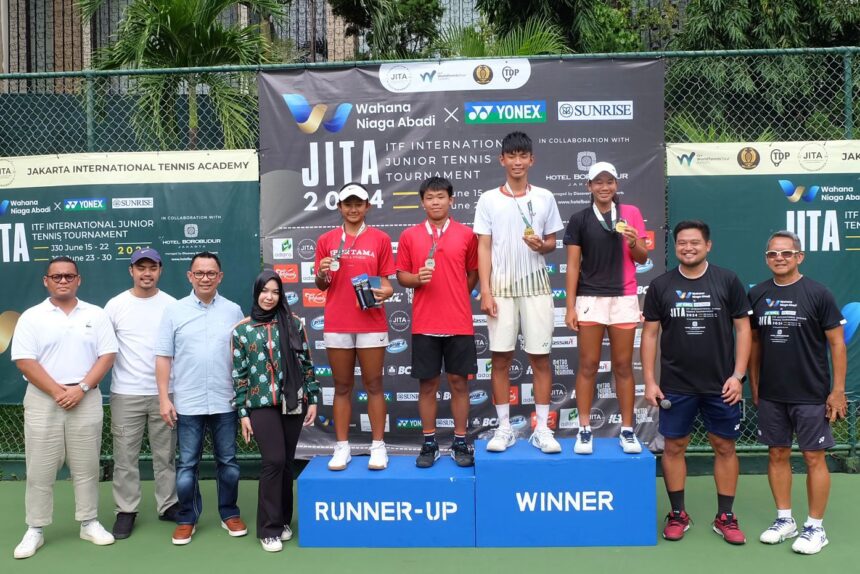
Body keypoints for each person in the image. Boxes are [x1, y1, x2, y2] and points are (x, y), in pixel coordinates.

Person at [641, 220, 751, 545]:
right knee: (674, 448)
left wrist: (738, 375)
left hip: (722, 385)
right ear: (675, 247)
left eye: (695, 243)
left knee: (725, 447)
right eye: (682, 243)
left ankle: (726, 517)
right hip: (676, 386)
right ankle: (678, 514)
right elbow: (649, 334)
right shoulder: (661, 286)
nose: (688, 248)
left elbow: (744, 329)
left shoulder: (728, 280)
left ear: (708, 245)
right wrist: (649, 380)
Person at [11, 257, 118, 559]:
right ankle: (35, 529)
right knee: (40, 470)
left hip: (85, 397)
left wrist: (81, 389)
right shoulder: (32, 317)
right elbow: (24, 360)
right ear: (46, 281)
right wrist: (59, 392)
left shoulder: (96, 315)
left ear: (78, 280)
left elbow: (107, 356)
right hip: (44, 399)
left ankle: (89, 522)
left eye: (68, 276)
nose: (62, 281)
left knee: (86, 468)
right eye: (56, 276)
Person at [749, 230, 847, 555]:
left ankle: (816, 528)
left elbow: (836, 343)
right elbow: (755, 344)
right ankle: (785, 520)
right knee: (777, 454)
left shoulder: (819, 293)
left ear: (799, 257)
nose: (779, 258)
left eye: (786, 253)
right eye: (773, 254)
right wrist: (756, 383)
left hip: (811, 393)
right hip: (773, 394)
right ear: (766, 258)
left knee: (813, 457)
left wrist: (837, 391)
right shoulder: (759, 294)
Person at [473, 131, 564, 454]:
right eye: (511, 156)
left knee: (540, 358)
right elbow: (483, 247)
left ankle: (542, 429)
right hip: (500, 289)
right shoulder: (488, 199)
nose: (517, 162)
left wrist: (543, 245)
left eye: (522, 156)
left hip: (536, 286)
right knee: (500, 358)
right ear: (502, 160)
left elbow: (553, 242)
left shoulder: (545, 197)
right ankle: (504, 429)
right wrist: (485, 290)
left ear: (531, 160)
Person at [156, 251, 246, 545]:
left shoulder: (233, 310)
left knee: (229, 463)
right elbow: (164, 357)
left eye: (211, 273)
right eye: (199, 273)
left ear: (220, 276)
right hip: (188, 402)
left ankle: (229, 513)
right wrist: (164, 398)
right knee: (186, 466)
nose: (205, 278)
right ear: (189, 276)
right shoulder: (174, 311)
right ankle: (187, 518)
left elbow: (240, 357)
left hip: (224, 400)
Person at [564, 161, 648, 455]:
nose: (604, 187)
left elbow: (641, 256)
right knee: (587, 365)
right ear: (589, 187)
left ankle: (627, 430)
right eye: (598, 182)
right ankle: (584, 429)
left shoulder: (632, 214)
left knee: (624, 366)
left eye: (609, 181)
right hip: (589, 300)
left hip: (624, 297)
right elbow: (573, 265)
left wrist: (635, 241)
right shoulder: (579, 219)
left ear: (617, 185)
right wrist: (570, 306)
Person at [232, 270, 319, 552]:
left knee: (286, 462)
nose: (269, 297)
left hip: (293, 400)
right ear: (256, 292)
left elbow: (306, 361)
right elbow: (240, 374)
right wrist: (243, 413)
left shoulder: (293, 323)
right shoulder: (242, 330)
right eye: (264, 291)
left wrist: (313, 398)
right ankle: (267, 528)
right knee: (273, 460)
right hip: (260, 404)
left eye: (275, 292)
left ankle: (282, 520)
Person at [396, 176, 479, 467]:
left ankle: (460, 441)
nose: (435, 202)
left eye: (441, 197)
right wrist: (417, 279)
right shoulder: (409, 235)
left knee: (459, 383)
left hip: (458, 322)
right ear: (422, 202)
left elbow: (473, 273)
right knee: (428, 385)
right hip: (425, 323)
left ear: (451, 200)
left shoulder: (467, 234)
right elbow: (401, 275)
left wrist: (456, 293)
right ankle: (429, 442)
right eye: (430, 198)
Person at [315, 182, 395, 471]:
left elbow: (387, 282)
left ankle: (378, 447)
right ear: (339, 207)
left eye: (358, 203)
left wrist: (387, 291)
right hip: (338, 322)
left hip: (371, 322)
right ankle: (342, 448)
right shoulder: (326, 240)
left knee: (374, 385)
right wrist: (323, 272)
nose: (352, 209)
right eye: (347, 204)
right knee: (342, 387)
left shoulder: (380, 239)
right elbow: (321, 283)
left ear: (367, 207)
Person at [104, 248, 179, 539]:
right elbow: (104, 348)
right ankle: (126, 510)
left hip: (166, 393)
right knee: (124, 457)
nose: (146, 273)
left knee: (166, 455)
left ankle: (168, 504)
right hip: (126, 393)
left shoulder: (172, 305)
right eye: (141, 268)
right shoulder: (115, 305)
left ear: (160, 270)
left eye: (152, 268)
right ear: (131, 271)